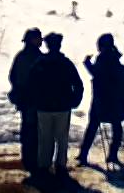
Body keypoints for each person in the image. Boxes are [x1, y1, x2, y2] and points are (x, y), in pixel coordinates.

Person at [28, 32, 84, 181]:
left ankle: (44, 166)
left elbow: (31, 84)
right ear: (59, 45)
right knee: (62, 138)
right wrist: (74, 100)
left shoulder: (40, 63)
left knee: (45, 138)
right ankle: (60, 166)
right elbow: (78, 84)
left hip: (44, 108)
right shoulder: (66, 63)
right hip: (62, 107)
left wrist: (35, 100)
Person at [78, 33, 124, 167]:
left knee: (92, 127)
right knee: (117, 128)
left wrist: (87, 64)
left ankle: (83, 154)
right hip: (117, 101)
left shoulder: (102, 59)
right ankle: (113, 155)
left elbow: (97, 74)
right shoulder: (115, 58)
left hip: (101, 100)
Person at [8, 28, 44, 172]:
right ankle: (33, 160)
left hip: (24, 99)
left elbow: (12, 76)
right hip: (33, 99)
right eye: (38, 38)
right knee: (34, 130)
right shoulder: (37, 57)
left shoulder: (20, 56)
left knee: (28, 128)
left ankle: (28, 159)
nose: (40, 41)